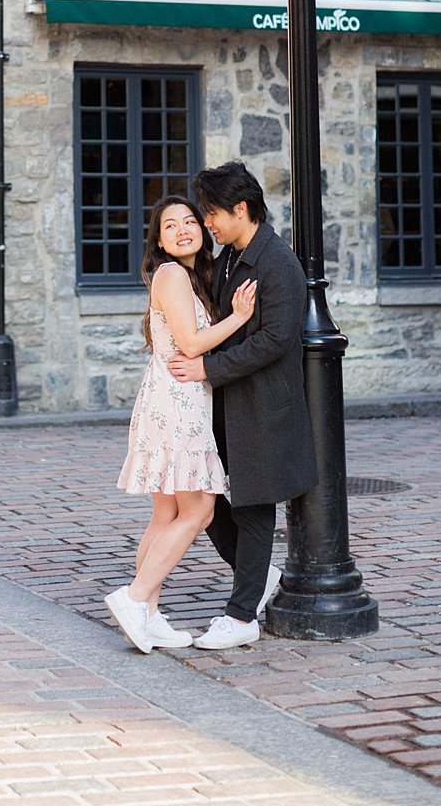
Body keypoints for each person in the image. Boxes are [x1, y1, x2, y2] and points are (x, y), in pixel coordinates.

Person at [165, 160, 318, 650]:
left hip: (262, 407)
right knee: (209, 501)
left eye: (211, 213)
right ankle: (258, 580)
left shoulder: (277, 263)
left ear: (241, 209)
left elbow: (275, 338)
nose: (206, 222)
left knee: (252, 508)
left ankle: (242, 615)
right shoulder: (232, 254)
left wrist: (209, 369)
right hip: (229, 403)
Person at [105, 195, 257, 654]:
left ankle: (148, 614)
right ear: (159, 240)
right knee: (199, 511)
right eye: (170, 226)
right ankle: (133, 599)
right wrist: (240, 317)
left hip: (171, 398)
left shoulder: (187, 278)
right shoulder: (172, 275)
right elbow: (190, 344)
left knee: (167, 513)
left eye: (190, 221)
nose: (183, 229)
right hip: (177, 403)